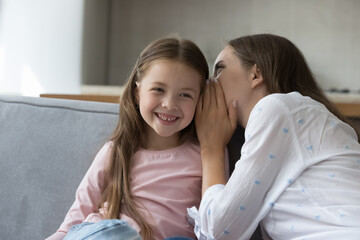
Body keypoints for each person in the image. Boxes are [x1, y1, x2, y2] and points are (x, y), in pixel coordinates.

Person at [188, 33, 360, 240]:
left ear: (255, 75)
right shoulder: (297, 115)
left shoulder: (277, 107)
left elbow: (220, 229)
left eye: (220, 69)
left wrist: (211, 148)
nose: (211, 83)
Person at [46, 36, 209, 240]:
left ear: (200, 101)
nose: (169, 104)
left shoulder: (205, 158)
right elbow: (70, 225)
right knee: (115, 232)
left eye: (185, 95)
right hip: (108, 235)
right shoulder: (115, 152)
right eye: (158, 89)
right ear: (137, 92)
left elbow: (214, 225)